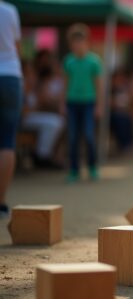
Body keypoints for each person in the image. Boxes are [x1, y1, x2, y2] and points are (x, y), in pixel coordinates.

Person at [63, 24, 103, 182]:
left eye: (80, 42)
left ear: (86, 42)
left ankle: (92, 166)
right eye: (74, 42)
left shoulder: (94, 61)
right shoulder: (68, 61)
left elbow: (99, 85)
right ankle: (74, 169)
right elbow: (65, 83)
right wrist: (62, 103)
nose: (77, 45)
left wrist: (99, 105)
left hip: (89, 103)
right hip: (72, 103)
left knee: (88, 135)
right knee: (72, 136)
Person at [0, 0, 22, 218]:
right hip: (10, 76)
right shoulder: (10, 11)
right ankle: (2, 200)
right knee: (7, 141)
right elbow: (16, 49)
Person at [22, 50, 65, 167]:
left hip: (33, 116)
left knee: (58, 121)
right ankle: (42, 156)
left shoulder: (36, 84)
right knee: (54, 122)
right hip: (23, 119)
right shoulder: (23, 85)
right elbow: (25, 111)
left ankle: (49, 155)